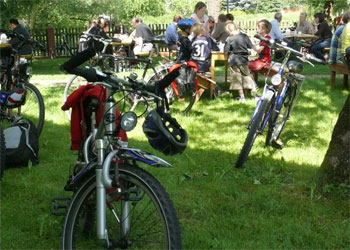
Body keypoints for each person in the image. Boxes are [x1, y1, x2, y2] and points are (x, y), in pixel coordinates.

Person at [224, 21, 259, 103]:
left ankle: (242, 97)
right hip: (244, 59)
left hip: (234, 60)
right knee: (248, 76)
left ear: (229, 31)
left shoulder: (229, 39)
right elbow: (251, 46)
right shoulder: (244, 36)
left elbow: (226, 51)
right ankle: (255, 95)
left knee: (237, 79)